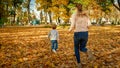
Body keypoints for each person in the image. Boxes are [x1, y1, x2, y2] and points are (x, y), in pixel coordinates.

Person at [68, 3, 94, 68]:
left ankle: (79, 64)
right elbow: (89, 25)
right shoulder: (86, 15)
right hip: (85, 33)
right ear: (82, 7)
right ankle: (87, 50)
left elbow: (72, 25)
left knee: (76, 48)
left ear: (76, 8)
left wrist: (69, 30)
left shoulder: (74, 15)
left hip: (77, 33)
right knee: (82, 48)